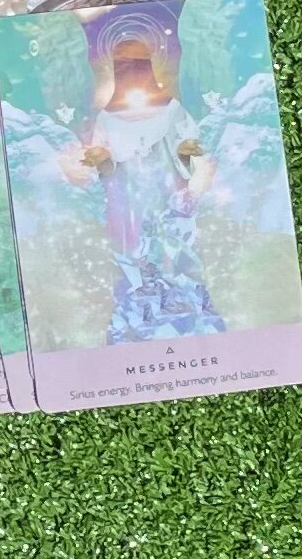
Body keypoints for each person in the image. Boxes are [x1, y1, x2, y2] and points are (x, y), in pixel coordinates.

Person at [60, 34, 222, 344]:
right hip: (128, 203)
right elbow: (107, 167)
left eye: (138, 63)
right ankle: (138, 320)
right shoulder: (108, 117)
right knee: (135, 262)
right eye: (123, 65)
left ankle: (190, 314)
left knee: (175, 255)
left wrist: (185, 151)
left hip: (165, 196)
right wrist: (101, 158)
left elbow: (184, 145)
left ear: (149, 66)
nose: (131, 70)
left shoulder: (171, 109)